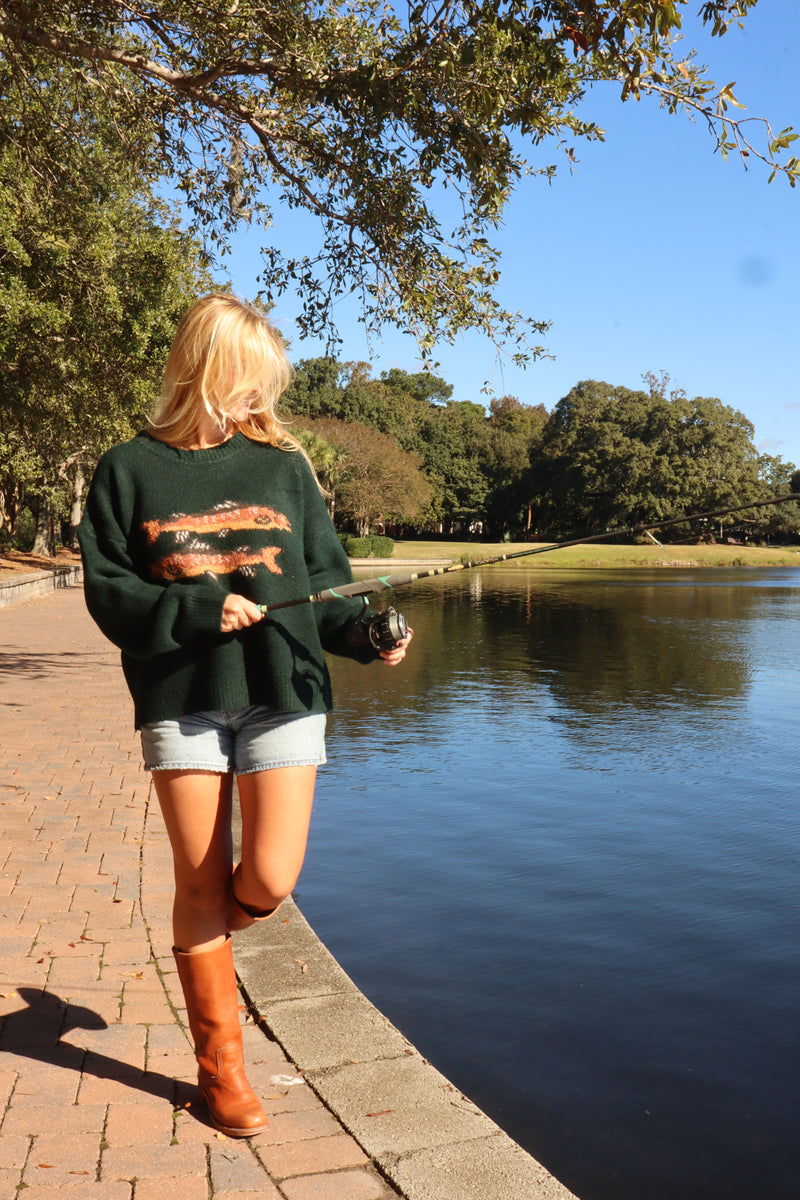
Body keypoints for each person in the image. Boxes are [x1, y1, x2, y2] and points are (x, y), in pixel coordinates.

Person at [78, 293, 413, 1138]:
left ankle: (202, 944)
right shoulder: (127, 469)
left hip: (283, 688)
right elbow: (110, 593)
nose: (257, 400)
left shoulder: (282, 466)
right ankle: (221, 1073)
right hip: (181, 696)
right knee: (197, 881)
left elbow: (329, 578)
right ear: (205, 369)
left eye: (265, 385)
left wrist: (370, 632)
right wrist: (198, 610)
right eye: (247, 381)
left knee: (268, 877)